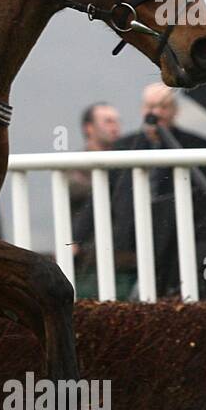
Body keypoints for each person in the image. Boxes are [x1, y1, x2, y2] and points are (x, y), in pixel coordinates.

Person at [108, 83, 206, 299]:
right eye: (151, 106)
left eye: (163, 107)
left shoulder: (196, 144)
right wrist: (77, 238)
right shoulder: (123, 146)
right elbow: (103, 196)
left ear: (175, 111)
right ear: (142, 110)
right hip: (130, 240)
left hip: (178, 238)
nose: (156, 113)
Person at [67, 102, 122, 298]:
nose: (115, 127)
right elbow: (75, 190)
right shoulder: (72, 166)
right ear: (89, 128)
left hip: (122, 250)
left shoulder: (128, 162)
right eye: (108, 121)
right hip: (84, 253)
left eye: (116, 121)